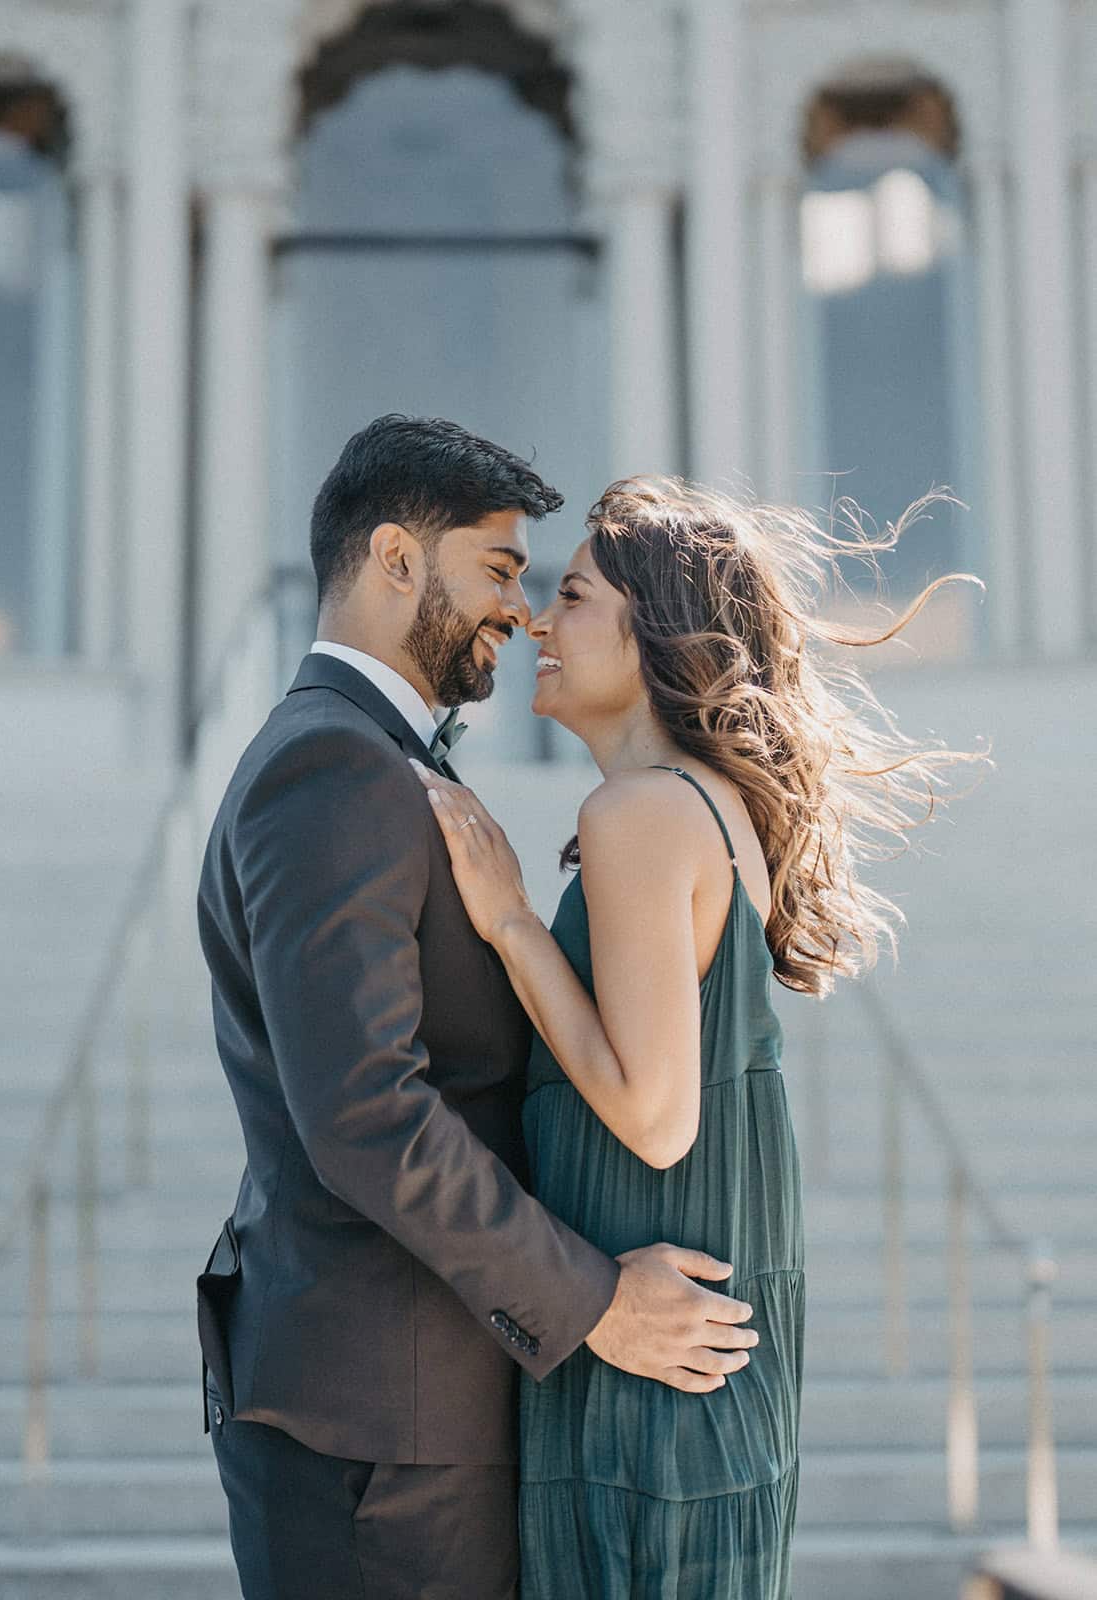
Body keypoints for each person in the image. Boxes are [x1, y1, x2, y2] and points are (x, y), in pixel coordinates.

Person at [196, 422, 759, 1600]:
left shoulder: (380, 761)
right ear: (395, 558)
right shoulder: (331, 766)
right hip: (377, 1434)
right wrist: (594, 1304)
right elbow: (368, 1114)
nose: (519, 609)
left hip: (416, 1415)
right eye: (499, 570)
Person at [412, 476, 977, 1599]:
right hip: (684, 1374)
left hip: (651, 1389)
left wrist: (510, 921)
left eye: (573, 596)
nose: (537, 622)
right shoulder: (699, 806)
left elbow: (657, 1117)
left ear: (653, 630)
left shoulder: (640, 812)